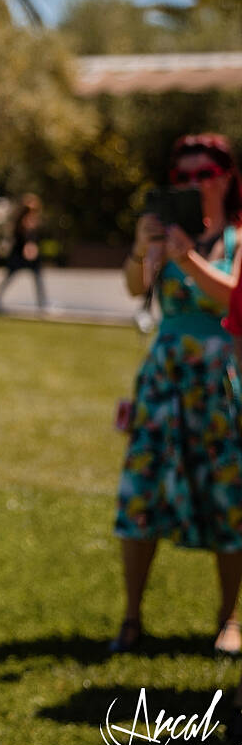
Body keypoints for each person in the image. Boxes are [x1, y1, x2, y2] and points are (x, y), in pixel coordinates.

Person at [114, 132, 242, 655]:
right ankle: (131, 616)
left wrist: (187, 259)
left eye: (202, 175)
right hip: (164, 378)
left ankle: (229, 620)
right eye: (183, 177)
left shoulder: (237, 238)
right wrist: (145, 248)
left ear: (227, 177)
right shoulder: (166, 237)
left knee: (228, 499)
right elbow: (132, 287)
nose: (192, 184)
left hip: (218, 381)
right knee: (141, 491)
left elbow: (234, 295)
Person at [0, 193, 48, 312]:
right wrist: (29, 247)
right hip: (19, 255)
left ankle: (42, 304)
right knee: (9, 277)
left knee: (37, 279)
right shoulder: (21, 222)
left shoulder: (34, 221)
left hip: (31, 256)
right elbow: (26, 238)